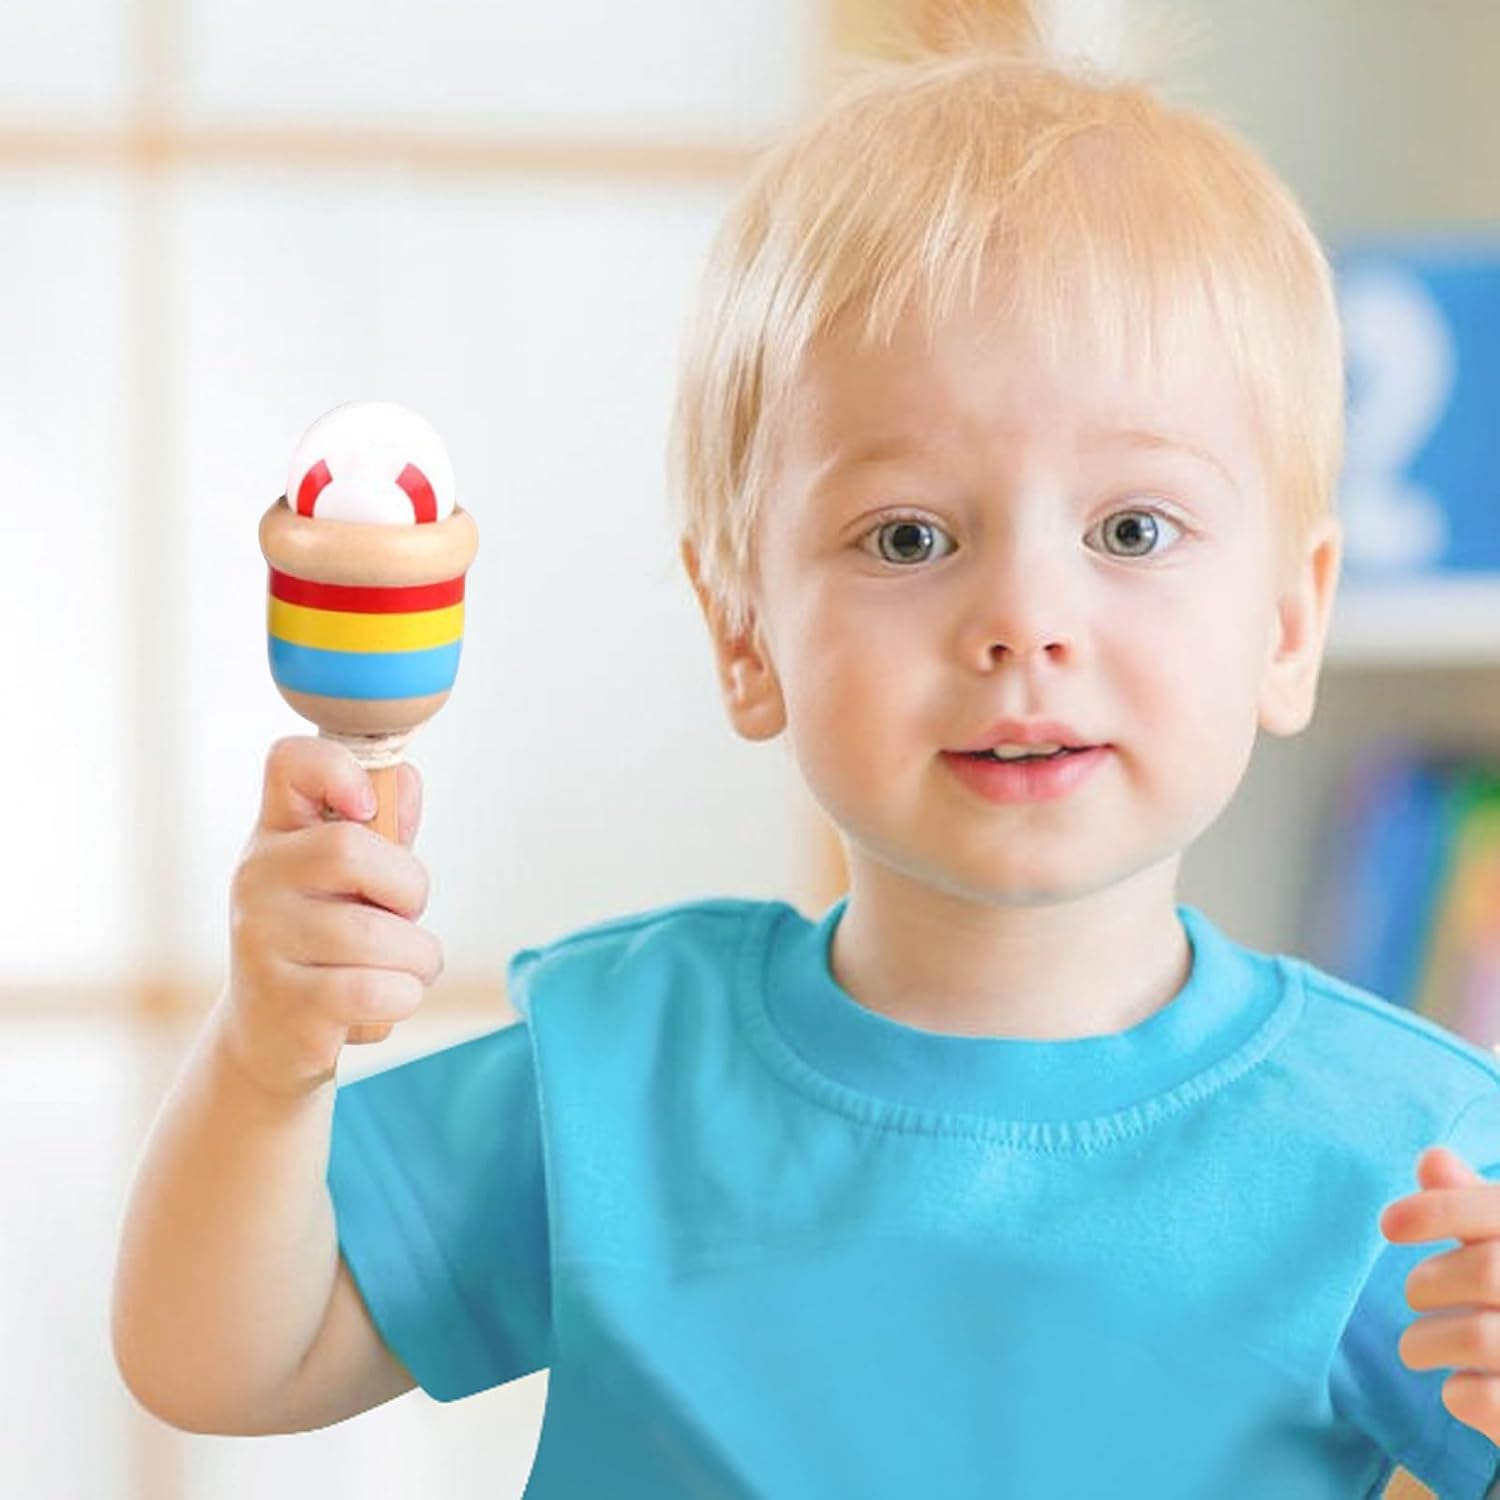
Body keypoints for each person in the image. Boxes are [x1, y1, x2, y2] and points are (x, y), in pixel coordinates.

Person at [111, 4, 1500, 1495]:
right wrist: (268, 1060)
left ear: (1290, 622)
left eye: (1132, 530)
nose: (1026, 621)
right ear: (745, 633)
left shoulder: (1406, 1153)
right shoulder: (622, 1075)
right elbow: (222, 1360)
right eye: (908, 537)